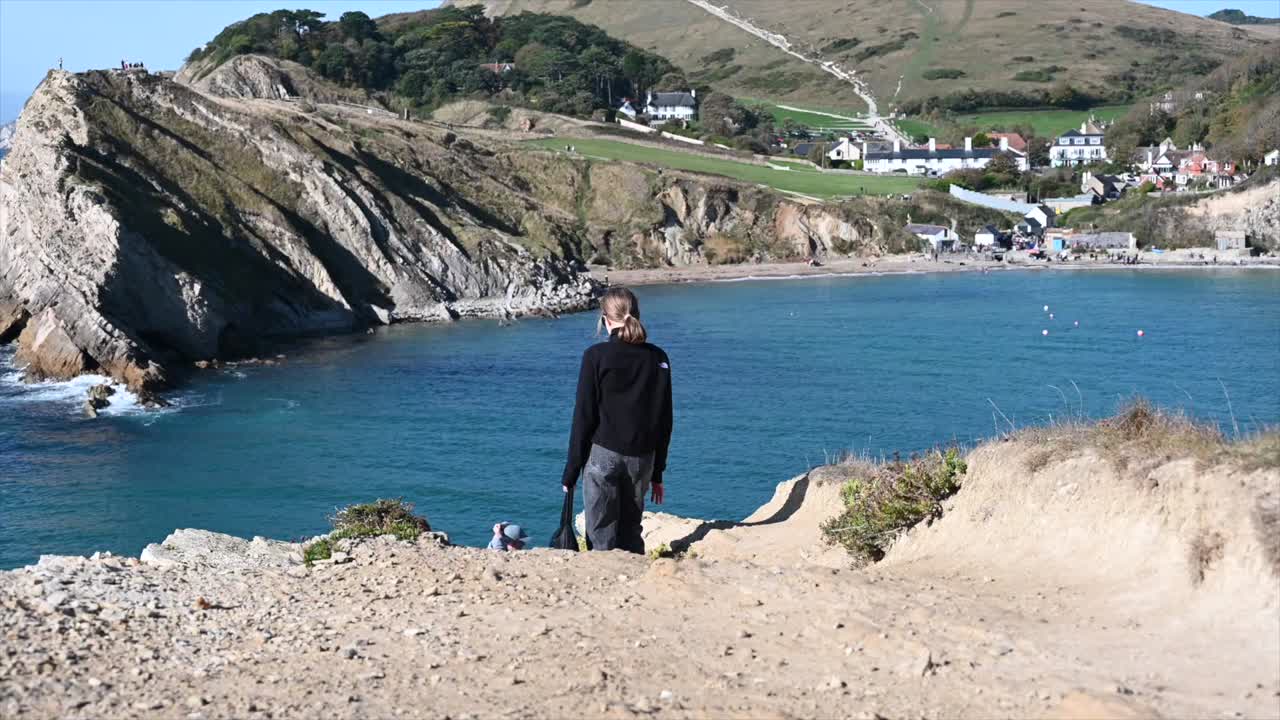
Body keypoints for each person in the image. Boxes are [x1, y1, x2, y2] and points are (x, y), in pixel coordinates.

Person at [561, 287, 673, 554]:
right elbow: (664, 418)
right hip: (643, 458)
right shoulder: (658, 358)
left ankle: (605, 589)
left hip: (603, 454)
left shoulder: (596, 356)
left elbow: (584, 416)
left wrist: (571, 470)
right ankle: (634, 588)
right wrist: (658, 471)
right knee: (631, 532)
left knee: (600, 535)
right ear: (636, 314)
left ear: (605, 319)